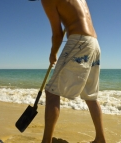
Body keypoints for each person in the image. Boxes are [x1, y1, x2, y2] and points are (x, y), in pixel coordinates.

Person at [40, 0, 106, 142]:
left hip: (79, 42)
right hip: (94, 44)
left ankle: (46, 141)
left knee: (51, 93)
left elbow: (57, 34)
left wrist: (53, 54)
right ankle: (100, 138)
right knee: (91, 96)